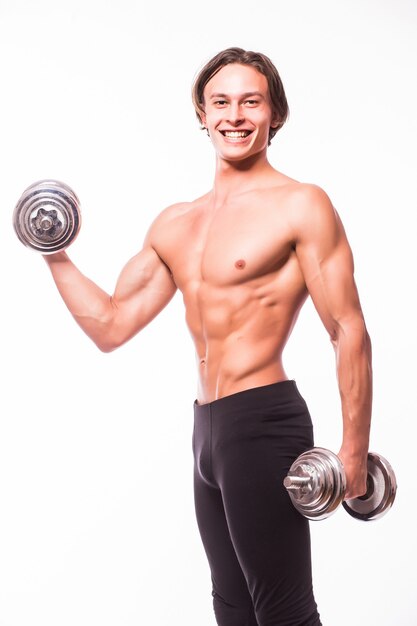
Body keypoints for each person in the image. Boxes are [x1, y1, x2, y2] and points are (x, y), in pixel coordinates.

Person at [43, 47, 372, 625]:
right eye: (221, 102)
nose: (235, 116)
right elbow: (111, 324)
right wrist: (53, 250)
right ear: (201, 112)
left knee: (284, 611)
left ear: (275, 114)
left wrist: (351, 451)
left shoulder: (301, 205)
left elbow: (347, 329)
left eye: (251, 102)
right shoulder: (176, 223)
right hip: (207, 432)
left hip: (265, 422)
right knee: (233, 609)